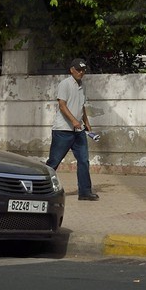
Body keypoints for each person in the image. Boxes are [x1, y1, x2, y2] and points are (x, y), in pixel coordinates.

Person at [48, 57, 98, 201]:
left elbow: (81, 106)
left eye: (83, 70)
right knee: (54, 161)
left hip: (79, 131)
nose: (81, 73)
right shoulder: (65, 84)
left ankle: (85, 192)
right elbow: (62, 105)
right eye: (78, 70)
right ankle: (40, 187)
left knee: (83, 160)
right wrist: (74, 121)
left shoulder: (83, 86)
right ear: (72, 70)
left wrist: (86, 122)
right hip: (62, 130)